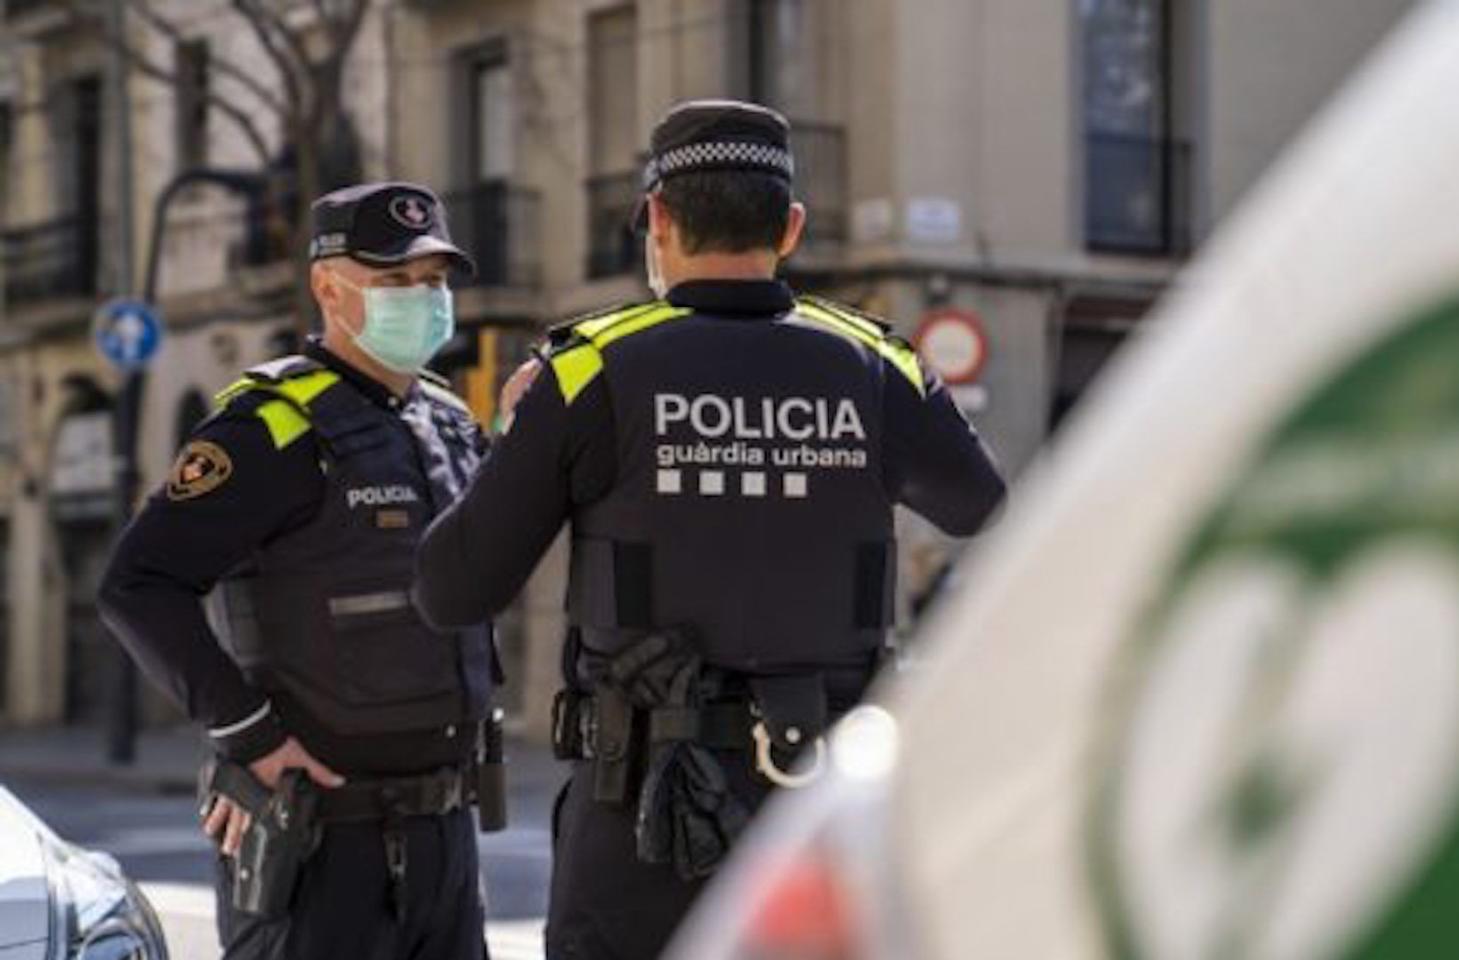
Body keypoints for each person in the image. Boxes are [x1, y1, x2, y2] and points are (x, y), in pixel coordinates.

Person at [413, 99, 1008, 960]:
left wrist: (518, 430)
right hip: (814, 820)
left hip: (639, 827)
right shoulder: (876, 362)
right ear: (791, 227)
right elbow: (976, 503)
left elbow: (452, 588)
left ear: (657, 219)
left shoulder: (586, 371)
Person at [99, 182, 500, 960]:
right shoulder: (270, 428)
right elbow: (136, 586)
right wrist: (248, 735)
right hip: (315, 840)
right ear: (328, 287)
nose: (423, 299)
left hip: (445, 836)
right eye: (394, 281)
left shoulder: (449, 424)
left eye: (434, 281)